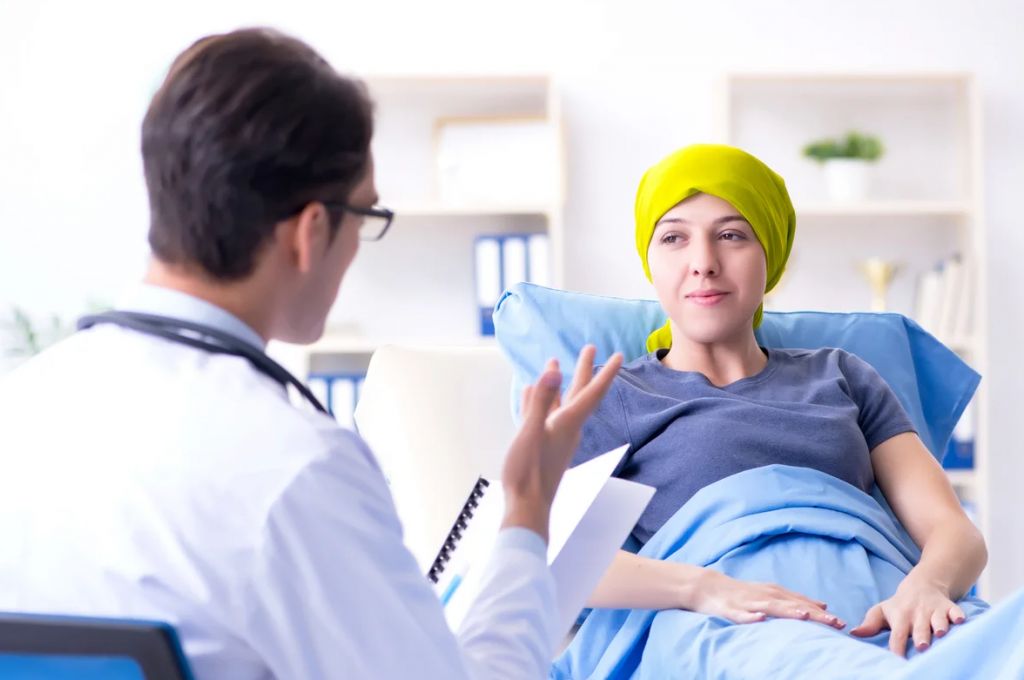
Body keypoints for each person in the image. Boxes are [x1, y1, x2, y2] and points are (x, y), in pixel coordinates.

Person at [0, 28, 622, 679]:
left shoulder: (20, 407)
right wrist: (526, 511)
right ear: (311, 230)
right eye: (366, 215)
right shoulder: (295, 467)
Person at [574, 144, 987, 657]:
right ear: (650, 259)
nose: (703, 263)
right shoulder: (612, 395)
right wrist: (702, 588)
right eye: (674, 237)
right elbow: (555, 557)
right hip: (730, 629)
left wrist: (926, 586)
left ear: (770, 254)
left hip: (887, 613)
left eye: (731, 235)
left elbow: (954, 532)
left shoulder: (843, 376)